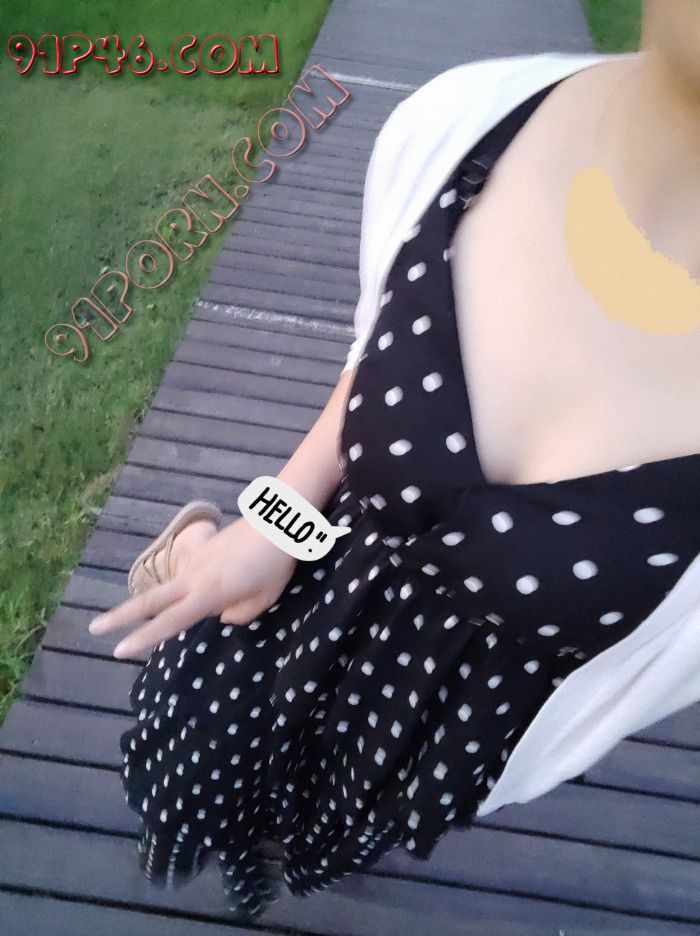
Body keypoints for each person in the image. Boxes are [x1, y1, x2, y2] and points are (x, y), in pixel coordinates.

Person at [90, 2, 700, 919]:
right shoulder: (463, 125)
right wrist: (274, 522)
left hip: (427, 731)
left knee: (321, 836)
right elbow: (376, 362)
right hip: (289, 605)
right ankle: (195, 556)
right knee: (193, 775)